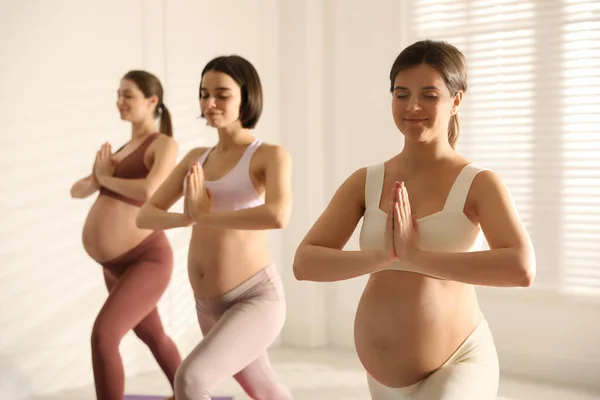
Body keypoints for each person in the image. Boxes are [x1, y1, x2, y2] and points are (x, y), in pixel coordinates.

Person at [293, 40, 536, 400]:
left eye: (429, 95)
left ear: (456, 101)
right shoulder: (366, 180)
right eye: (401, 94)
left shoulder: (479, 183)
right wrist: (381, 257)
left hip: (459, 362)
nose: (413, 107)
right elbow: (305, 263)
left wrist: (414, 256)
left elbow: (521, 268)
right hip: (384, 380)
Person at [136, 55, 294, 400]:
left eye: (221, 94)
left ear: (246, 96)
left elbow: (277, 215)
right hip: (208, 305)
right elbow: (146, 215)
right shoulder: (197, 157)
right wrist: (189, 217)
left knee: (191, 380)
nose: (210, 103)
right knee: (264, 390)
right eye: (204, 93)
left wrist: (206, 216)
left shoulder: (269, 155)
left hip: (255, 298)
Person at [70, 70, 181, 400]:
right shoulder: (120, 149)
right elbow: (76, 190)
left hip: (146, 259)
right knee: (154, 335)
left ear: (152, 101)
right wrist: (97, 178)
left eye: (127, 95)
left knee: (104, 336)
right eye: (118, 94)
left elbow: (151, 189)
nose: (120, 101)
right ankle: (189, 392)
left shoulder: (163, 144)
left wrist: (105, 179)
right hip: (115, 265)